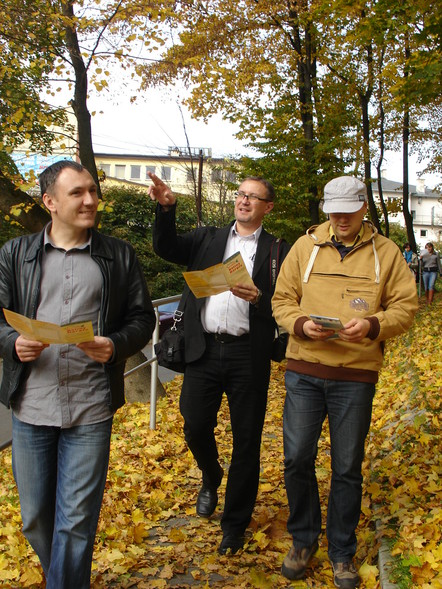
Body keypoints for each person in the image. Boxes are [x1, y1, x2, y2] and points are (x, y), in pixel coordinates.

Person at [0, 160, 156, 589]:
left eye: (92, 190)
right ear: (50, 202)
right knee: (35, 519)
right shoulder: (16, 254)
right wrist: (11, 343)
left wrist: (116, 344)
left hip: (91, 406)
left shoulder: (118, 254)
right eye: (77, 193)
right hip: (32, 405)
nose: (90, 200)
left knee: (76, 522)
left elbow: (141, 319)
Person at [272, 176, 418, 589]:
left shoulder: (386, 253)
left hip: (355, 375)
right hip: (304, 368)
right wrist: (300, 324)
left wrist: (373, 325)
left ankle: (342, 551)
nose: (339, 219)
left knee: (347, 467)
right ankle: (303, 540)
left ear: (363, 209)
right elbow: (281, 300)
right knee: (297, 459)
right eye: (333, 210)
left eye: (347, 211)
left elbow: (405, 309)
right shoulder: (305, 247)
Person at [149, 173, 290, 555]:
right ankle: (211, 475)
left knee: (248, 442)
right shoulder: (207, 238)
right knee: (194, 425)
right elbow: (166, 247)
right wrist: (165, 209)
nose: (244, 201)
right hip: (203, 349)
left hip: (249, 354)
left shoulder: (279, 251)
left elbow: (288, 302)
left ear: (267, 207)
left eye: (253, 197)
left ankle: (234, 525)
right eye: (241, 194)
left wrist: (259, 297)